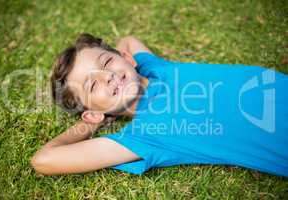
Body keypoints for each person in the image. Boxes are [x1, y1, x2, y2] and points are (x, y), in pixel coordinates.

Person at [30, 33, 288, 177]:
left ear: (128, 59)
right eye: (92, 85)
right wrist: (90, 123)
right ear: (93, 110)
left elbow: (128, 40)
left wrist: (123, 62)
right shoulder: (143, 136)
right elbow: (44, 159)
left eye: (106, 63)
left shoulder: (157, 68)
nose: (105, 76)